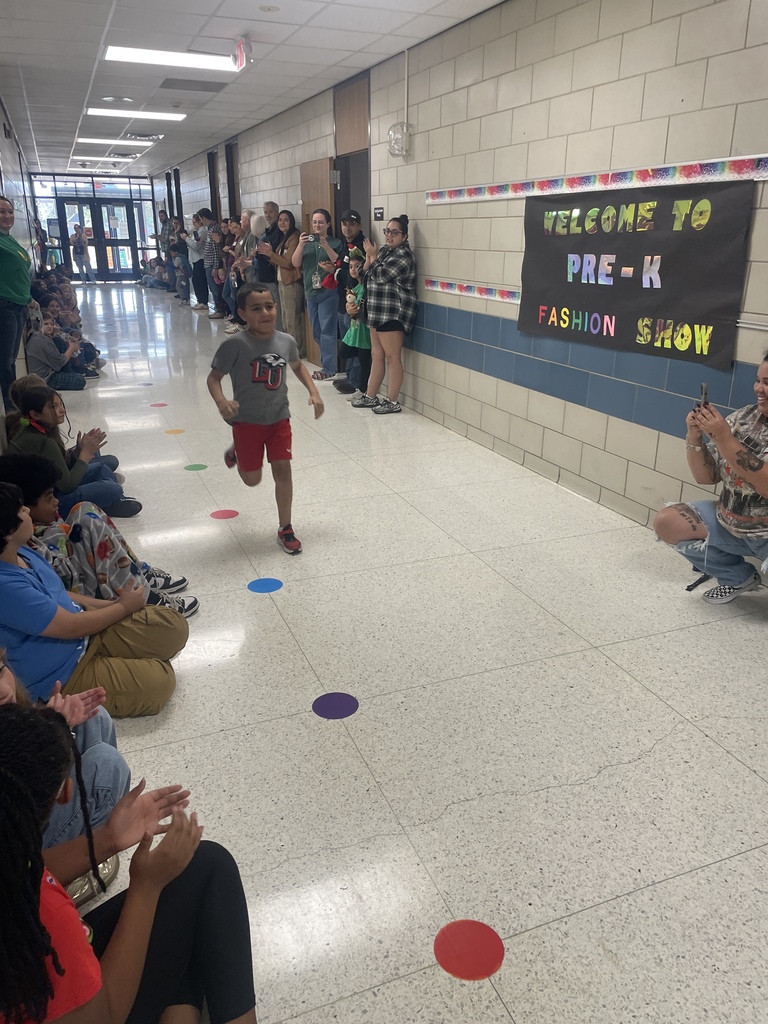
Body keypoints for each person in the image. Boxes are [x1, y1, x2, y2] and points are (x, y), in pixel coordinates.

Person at [0, 703, 259, 1024]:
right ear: (64, 794)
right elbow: (105, 1015)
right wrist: (146, 888)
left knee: (184, 903)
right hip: (88, 1006)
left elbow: (28, 869)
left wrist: (108, 838)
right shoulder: (47, 916)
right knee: (208, 868)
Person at [0, 482, 189, 716]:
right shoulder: (4, 586)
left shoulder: (21, 551)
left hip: (86, 630)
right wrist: (122, 608)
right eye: (20, 510)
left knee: (174, 627)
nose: (27, 511)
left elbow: (60, 594)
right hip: (63, 673)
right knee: (160, 682)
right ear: (7, 531)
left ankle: (129, 659)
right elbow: (69, 628)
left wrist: (113, 606)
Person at [0, 452, 199, 617]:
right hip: (75, 591)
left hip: (69, 565)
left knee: (84, 508)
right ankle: (145, 598)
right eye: (50, 498)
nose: (56, 502)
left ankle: (137, 572)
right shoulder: (23, 544)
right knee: (90, 524)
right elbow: (59, 581)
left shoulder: (31, 530)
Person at [207, 283, 324, 555]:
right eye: (256, 308)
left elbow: (297, 366)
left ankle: (286, 528)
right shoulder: (235, 345)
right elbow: (214, 379)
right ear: (242, 313)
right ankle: (238, 452)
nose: (265, 313)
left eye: (269, 306)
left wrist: (314, 391)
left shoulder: (286, 341)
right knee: (252, 480)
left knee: (283, 470)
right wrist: (222, 401)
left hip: (279, 418)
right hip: (247, 422)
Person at [654, 360, 768, 604]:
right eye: (758, 380)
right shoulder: (745, 417)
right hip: (730, 522)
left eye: (767, 383)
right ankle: (738, 577)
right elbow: (706, 478)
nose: (758, 388)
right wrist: (694, 437)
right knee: (668, 521)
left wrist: (724, 438)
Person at [0, 653, 131, 851]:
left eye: (0, 671)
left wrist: (47, 721)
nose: (3, 690)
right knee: (107, 764)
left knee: (94, 717)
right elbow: (24, 809)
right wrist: (50, 732)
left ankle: (103, 829)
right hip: (19, 847)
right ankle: (96, 848)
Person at [6, 387, 141, 519]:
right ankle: (110, 500)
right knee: (113, 488)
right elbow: (67, 486)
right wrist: (84, 455)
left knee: (101, 467)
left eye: (60, 404)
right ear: (35, 414)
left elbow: (58, 468)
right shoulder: (43, 441)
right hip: (45, 504)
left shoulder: (34, 430)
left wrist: (77, 453)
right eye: (54, 406)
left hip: (49, 488)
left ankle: (111, 501)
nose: (62, 410)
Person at [351, 214, 418, 415]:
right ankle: (371, 395)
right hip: (376, 312)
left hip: (393, 313)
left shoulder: (404, 256)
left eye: (394, 232)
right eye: (387, 231)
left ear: (404, 236)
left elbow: (381, 275)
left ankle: (393, 401)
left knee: (392, 356)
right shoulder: (385, 252)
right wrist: (370, 259)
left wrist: (373, 255)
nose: (389, 235)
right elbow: (366, 275)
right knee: (376, 354)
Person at [291, 209, 343, 380]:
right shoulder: (306, 243)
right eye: (314, 222)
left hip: (328, 291)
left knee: (327, 330)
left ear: (328, 224)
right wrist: (300, 244)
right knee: (316, 332)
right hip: (310, 291)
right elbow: (295, 262)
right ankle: (330, 362)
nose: (317, 225)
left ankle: (329, 368)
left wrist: (326, 246)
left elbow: (339, 262)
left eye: (321, 222)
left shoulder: (335, 243)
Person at [0, 195, 33, 411]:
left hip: (19, 304)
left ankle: (14, 404)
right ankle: (12, 411)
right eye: (2, 211)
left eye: (10, 211)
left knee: (10, 359)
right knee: (5, 361)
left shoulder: (8, 238)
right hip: (5, 305)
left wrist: (29, 298)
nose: (7, 216)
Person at [259, 209, 304, 357]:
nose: (282, 223)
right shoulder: (285, 238)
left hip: (291, 283)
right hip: (282, 282)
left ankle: (296, 351)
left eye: (286, 220)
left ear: (291, 222)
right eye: (280, 220)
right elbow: (279, 261)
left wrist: (271, 254)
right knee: (285, 318)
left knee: (292, 320)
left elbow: (289, 263)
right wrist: (270, 254)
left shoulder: (294, 238)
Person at [333, 210, 368, 395]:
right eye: (344, 224)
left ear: (359, 225)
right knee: (348, 342)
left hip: (354, 304)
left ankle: (355, 382)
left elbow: (356, 274)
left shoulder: (361, 247)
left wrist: (339, 273)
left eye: (351, 224)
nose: (347, 227)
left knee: (355, 344)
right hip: (343, 301)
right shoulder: (344, 246)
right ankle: (350, 377)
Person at [339, 251, 372, 402]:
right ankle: (359, 385)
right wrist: (348, 307)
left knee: (365, 363)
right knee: (343, 353)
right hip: (355, 329)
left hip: (363, 331)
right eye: (351, 266)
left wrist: (354, 309)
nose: (353, 270)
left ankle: (363, 390)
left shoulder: (366, 288)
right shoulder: (355, 288)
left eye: (357, 266)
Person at [25, 315, 86, 391]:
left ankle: (73, 372)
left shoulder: (40, 336)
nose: (50, 326)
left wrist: (54, 335)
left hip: (48, 373)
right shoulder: (41, 339)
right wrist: (72, 347)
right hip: (46, 379)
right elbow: (59, 362)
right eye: (46, 324)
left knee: (58, 341)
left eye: (52, 324)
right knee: (80, 381)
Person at [196, 208, 228, 320]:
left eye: (200, 219)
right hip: (208, 262)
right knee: (213, 288)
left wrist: (215, 266)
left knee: (215, 289)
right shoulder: (209, 229)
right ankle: (218, 308)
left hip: (211, 264)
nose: (200, 222)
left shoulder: (214, 229)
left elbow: (216, 250)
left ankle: (220, 310)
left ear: (204, 218)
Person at [180, 214, 209, 309]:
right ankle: (199, 300)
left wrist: (186, 239)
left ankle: (204, 301)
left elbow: (196, 246)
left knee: (201, 280)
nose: (194, 225)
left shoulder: (203, 231)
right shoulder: (195, 232)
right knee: (195, 280)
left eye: (195, 223)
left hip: (200, 258)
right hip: (195, 259)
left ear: (200, 221)